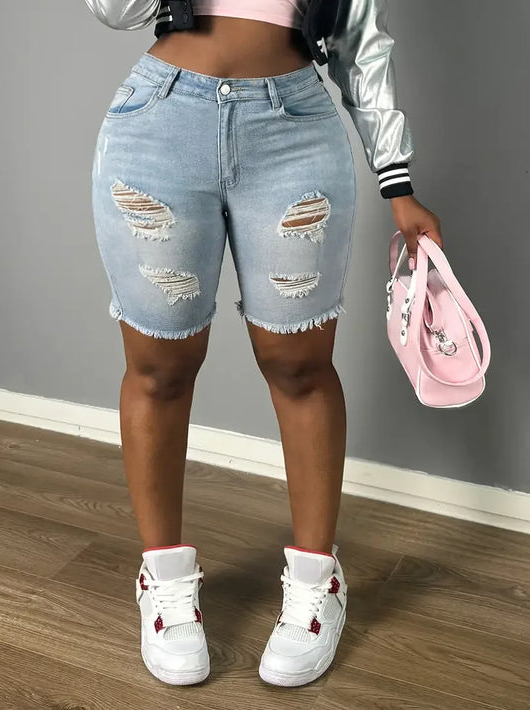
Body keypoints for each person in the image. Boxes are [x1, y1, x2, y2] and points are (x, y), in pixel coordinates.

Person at [86, 0, 443, 688]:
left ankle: (317, 585)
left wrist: (397, 182)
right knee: (159, 368)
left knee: (300, 366)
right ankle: (164, 581)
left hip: (294, 130)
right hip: (159, 123)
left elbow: (361, 41)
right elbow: (112, 10)